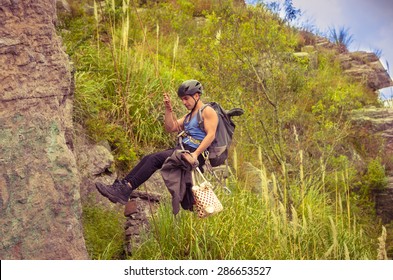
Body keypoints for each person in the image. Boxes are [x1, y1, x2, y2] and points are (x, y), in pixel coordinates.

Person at [95, 80, 219, 205]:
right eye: (182, 99)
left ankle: (125, 189)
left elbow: (211, 135)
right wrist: (168, 110)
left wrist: (196, 154)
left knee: (154, 160)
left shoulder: (207, 111)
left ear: (196, 96)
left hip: (191, 154)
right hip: (183, 150)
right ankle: (122, 186)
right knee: (148, 158)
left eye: (186, 98)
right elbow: (170, 128)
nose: (184, 102)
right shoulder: (189, 116)